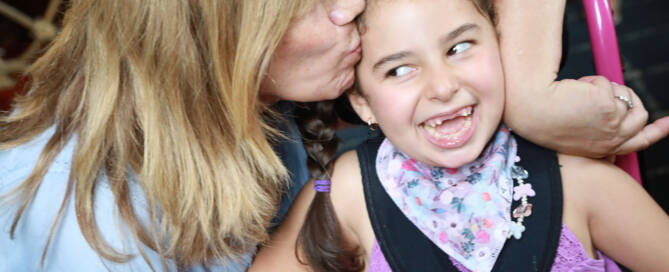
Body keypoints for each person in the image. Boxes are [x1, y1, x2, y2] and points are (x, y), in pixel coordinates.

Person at [0, 0, 666, 271]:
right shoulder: (100, 236)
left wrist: (530, 98)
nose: (354, 5)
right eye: (307, 1)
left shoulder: (266, 108)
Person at [250, 0, 669, 271]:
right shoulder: (344, 192)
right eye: (399, 70)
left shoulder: (580, 180)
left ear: (502, 48)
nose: (442, 87)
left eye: (459, 48)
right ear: (362, 103)